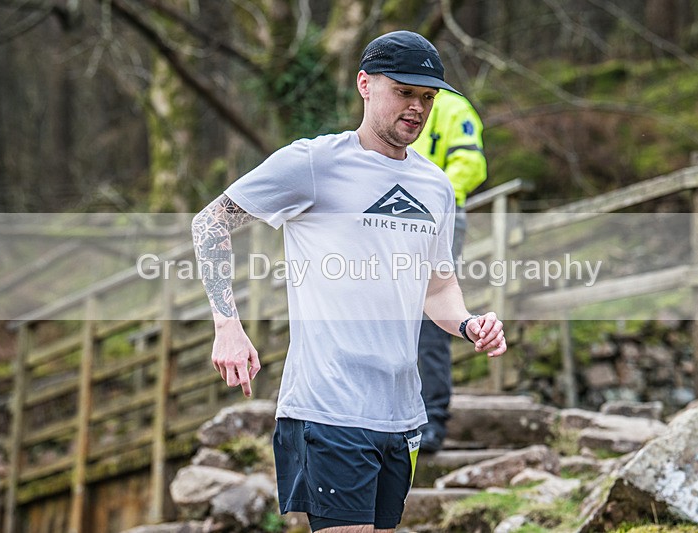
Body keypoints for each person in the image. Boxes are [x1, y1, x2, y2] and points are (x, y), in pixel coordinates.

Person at [191, 30, 506, 533]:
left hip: (401, 415)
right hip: (329, 406)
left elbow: (438, 289)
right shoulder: (314, 163)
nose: (417, 108)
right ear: (365, 84)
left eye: (427, 97)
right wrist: (227, 324)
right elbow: (210, 222)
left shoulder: (437, 186)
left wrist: (469, 325)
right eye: (404, 92)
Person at [409, 91, 488, 453]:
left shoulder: (454, 108)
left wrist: (430, 198)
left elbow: (471, 165)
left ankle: (433, 418)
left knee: (430, 314)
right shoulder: (394, 104)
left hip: (438, 217)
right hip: (392, 217)